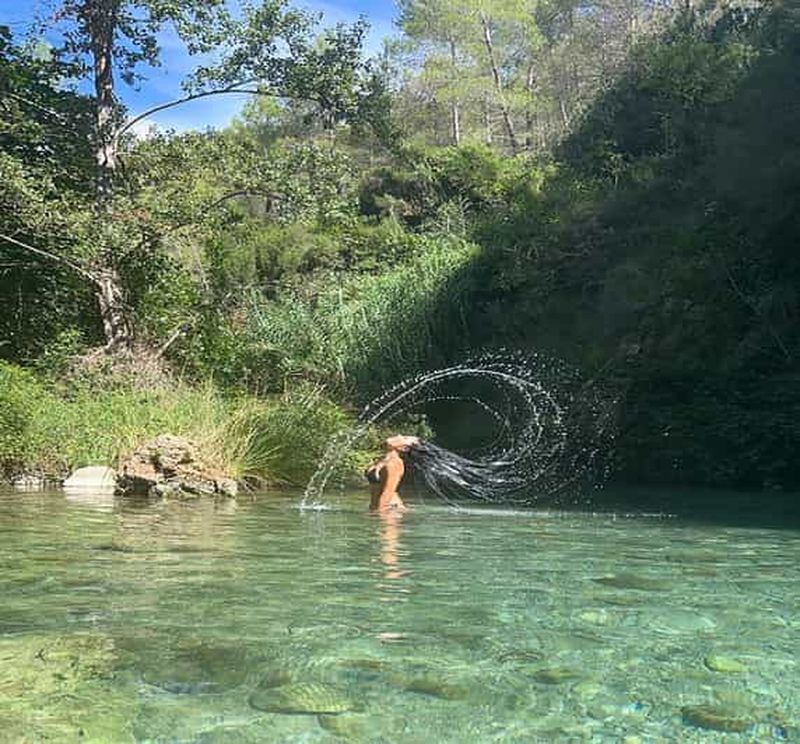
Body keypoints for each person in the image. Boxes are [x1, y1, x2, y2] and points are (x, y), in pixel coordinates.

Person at [365, 435, 419, 512]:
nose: (399, 435)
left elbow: (387, 493)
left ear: (404, 448)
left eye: (405, 438)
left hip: (388, 509)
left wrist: (378, 514)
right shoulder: (383, 460)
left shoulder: (394, 463)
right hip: (379, 508)